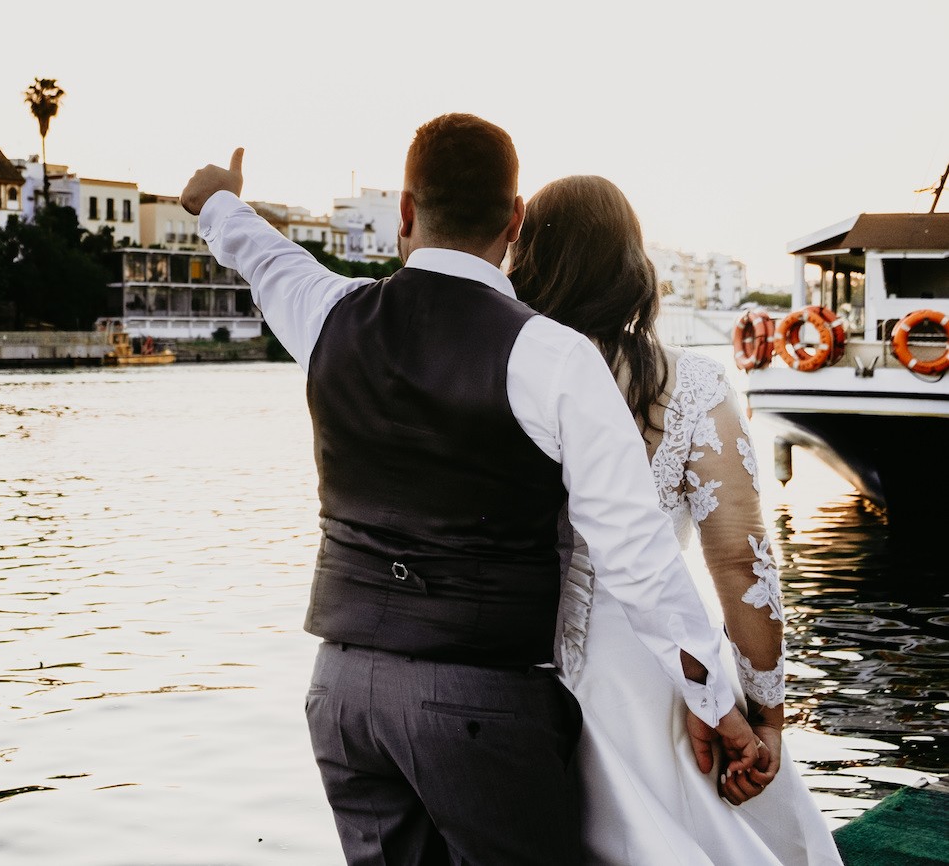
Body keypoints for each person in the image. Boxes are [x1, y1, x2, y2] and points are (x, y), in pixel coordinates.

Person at [180, 116, 764, 866]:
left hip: (341, 692)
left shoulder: (328, 313)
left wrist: (218, 200)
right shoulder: (550, 356)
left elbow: (260, 254)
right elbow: (636, 556)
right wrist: (718, 703)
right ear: (513, 220)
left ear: (403, 209)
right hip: (478, 707)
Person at [508, 175, 843, 865]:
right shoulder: (687, 386)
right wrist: (764, 716)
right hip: (656, 669)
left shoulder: (499, 375)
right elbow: (740, 561)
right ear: (632, 262)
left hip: (511, 665)